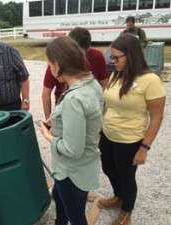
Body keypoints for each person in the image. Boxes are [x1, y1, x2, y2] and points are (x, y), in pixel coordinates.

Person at [98, 33, 165, 225]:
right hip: (109, 134)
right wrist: (100, 128)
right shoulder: (116, 74)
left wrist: (144, 148)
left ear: (132, 56)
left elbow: (157, 117)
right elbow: (108, 103)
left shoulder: (150, 80)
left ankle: (127, 209)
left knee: (126, 176)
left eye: (117, 57)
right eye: (112, 56)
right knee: (108, 168)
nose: (113, 60)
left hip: (129, 139)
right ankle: (118, 196)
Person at [38, 36, 104, 225]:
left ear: (57, 64)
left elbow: (73, 150)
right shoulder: (90, 83)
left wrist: (48, 136)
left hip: (72, 171)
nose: (50, 68)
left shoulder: (74, 99)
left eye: (50, 63)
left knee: (76, 216)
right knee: (59, 198)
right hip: (81, 166)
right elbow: (87, 119)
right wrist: (58, 119)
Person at [42, 27, 107, 119]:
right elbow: (46, 94)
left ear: (88, 48)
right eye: (71, 51)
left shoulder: (97, 57)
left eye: (79, 53)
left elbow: (104, 85)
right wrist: (48, 120)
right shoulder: (58, 61)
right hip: (63, 109)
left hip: (88, 110)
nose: (75, 56)